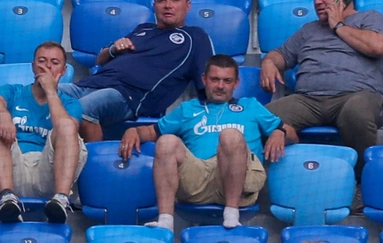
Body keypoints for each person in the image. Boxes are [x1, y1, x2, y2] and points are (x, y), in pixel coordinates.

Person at [0, 0, 215, 143]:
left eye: (175, 0)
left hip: (128, 96)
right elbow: (100, 59)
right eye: (162, 0)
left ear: (187, 5)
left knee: (81, 110)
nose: (167, 5)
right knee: (26, 93)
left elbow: (209, 83)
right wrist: (114, 49)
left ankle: (89, 172)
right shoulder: (143, 29)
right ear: (154, 4)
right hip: (94, 82)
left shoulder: (195, 37)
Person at [259, 0, 383, 209]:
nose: (317, 1)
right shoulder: (309, 30)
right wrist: (269, 62)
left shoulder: (369, 18)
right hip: (308, 100)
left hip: (358, 97)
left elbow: (378, 47)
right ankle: (289, 167)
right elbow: (281, 55)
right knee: (259, 118)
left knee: (356, 111)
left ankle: (360, 184)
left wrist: (338, 25)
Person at [119, 54, 286, 231]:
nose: (220, 86)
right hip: (198, 180)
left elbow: (290, 133)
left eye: (227, 81)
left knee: (230, 135)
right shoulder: (188, 109)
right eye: (214, 79)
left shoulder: (250, 106)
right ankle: (165, 222)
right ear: (204, 79)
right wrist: (134, 131)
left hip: (240, 182)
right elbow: (152, 132)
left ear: (236, 83)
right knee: (166, 141)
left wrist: (279, 132)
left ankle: (231, 213)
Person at [0, 42, 86, 224]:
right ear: (33, 66)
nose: (47, 67)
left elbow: (67, 129)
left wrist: (51, 92)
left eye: (54, 63)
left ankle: (61, 199)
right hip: (10, 168)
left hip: (50, 172)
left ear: (64, 70)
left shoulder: (71, 103)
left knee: (67, 126)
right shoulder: (13, 90)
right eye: (42, 61)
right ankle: (7, 198)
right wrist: (4, 115)